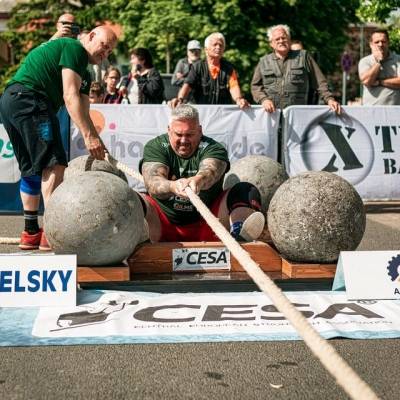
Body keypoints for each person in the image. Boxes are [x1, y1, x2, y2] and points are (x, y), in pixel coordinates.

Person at [0, 26, 118, 251]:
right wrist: (88, 137)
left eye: (109, 51)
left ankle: (31, 233)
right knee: (54, 166)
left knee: (32, 168)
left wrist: (96, 140)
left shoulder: (84, 71)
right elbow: (69, 96)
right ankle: (53, 232)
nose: (105, 53)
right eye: (104, 46)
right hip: (32, 99)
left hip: (11, 101)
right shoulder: (75, 48)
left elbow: (83, 110)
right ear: (91, 36)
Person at [138, 104, 265, 243]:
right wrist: (173, 186)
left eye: (189, 134)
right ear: (169, 131)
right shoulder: (156, 146)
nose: (183, 140)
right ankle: (137, 238)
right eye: (178, 134)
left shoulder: (214, 148)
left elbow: (210, 170)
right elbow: (153, 181)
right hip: (161, 224)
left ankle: (239, 237)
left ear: (199, 131)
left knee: (245, 190)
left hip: (210, 224)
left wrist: (197, 180)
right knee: (135, 199)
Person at [251, 24, 341, 114]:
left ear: (289, 40)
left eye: (284, 38)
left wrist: (329, 99)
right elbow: (255, 86)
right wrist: (264, 100)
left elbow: (319, 82)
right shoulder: (264, 61)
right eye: (277, 39)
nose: (281, 41)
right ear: (271, 44)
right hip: (272, 114)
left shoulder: (304, 57)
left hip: (298, 114)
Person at [169, 32, 250, 109]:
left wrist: (239, 99)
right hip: (201, 113)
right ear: (206, 49)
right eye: (215, 44)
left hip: (222, 114)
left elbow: (234, 86)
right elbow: (187, 85)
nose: (218, 47)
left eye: (221, 45)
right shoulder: (197, 67)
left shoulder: (229, 68)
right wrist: (180, 99)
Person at [358, 29, 400, 105]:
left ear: (388, 43)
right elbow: (366, 81)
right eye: (377, 42)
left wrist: (380, 82)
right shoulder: (365, 61)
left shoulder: (398, 59)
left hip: (394, 109)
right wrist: (378, 62)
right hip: (371, 109)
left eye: (383, 41)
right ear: (371, 44)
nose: (380, 44)